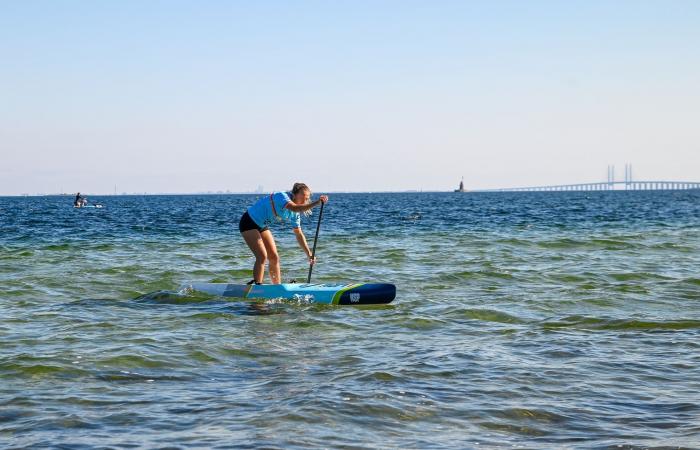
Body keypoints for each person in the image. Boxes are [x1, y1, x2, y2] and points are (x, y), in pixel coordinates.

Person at [239, 183, 328, 285]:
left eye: (307, 198)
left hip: (262, 225)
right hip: (248, 222)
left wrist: (309, 254)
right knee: (262, 256)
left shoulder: (295, 214)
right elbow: (294, 207)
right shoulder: (282, 196)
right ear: (294, 194)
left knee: (274, 257)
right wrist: (317, 202)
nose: (305, 201)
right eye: (303, 197)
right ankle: (257, 285)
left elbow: (299, 234)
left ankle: (277, 287)